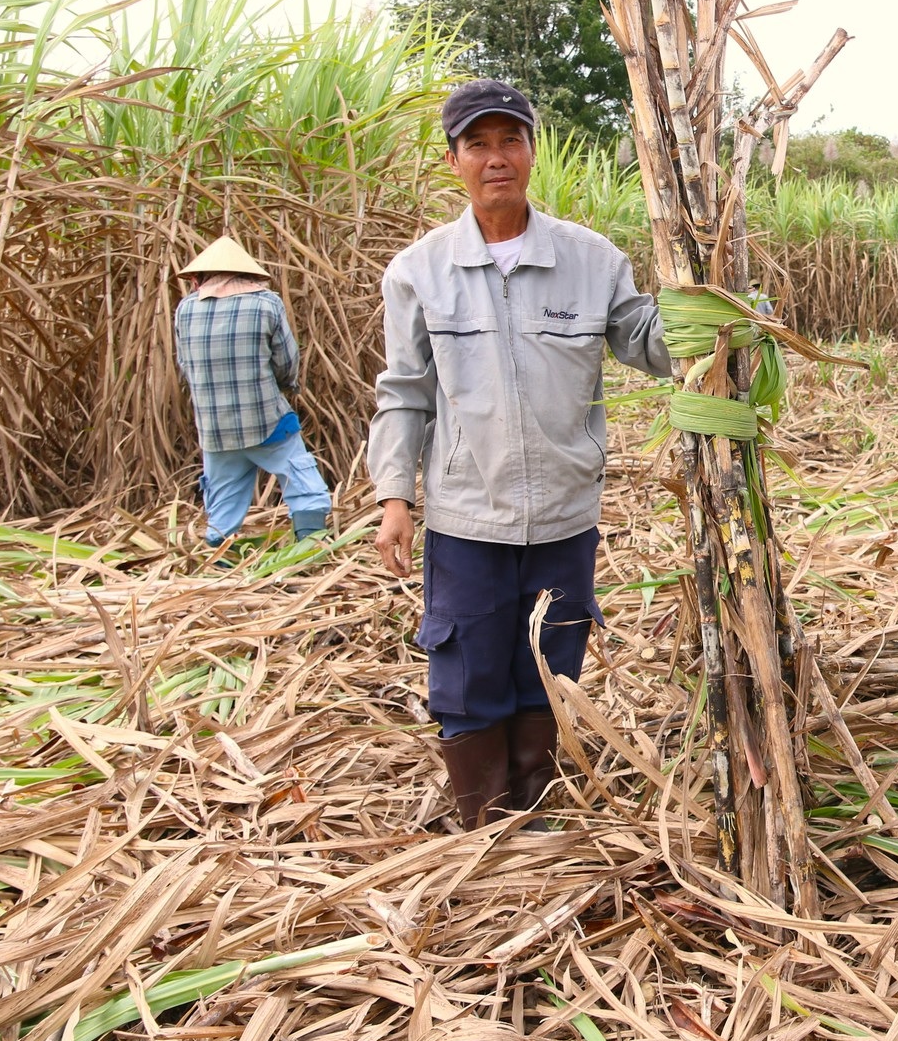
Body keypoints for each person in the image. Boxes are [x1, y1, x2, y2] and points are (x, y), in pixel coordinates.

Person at [369, 80, 671, 830]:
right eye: (479, 144)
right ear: (454, 161)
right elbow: (404, 390)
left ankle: (530, 808)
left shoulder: (591, 261)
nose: (496, 158)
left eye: (511, 141)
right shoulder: (420, 271)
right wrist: (395, 497)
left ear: (533, 152)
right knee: (468, 670)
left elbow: (647, 339)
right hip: (468, 514)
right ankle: (482, 818)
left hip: (565, 512)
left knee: (551, 665)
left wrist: (721, 314)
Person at [172, 236, 333, 552]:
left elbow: (185, 364)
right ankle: (310, 544)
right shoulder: (265, 302)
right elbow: (286, 361)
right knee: (301, 478)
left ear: (197, 278)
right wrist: (287, 387)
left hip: (214, 427)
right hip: (266, 420)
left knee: (224, 492)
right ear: (250, 275)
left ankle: (219, 556)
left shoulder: (185, 309)